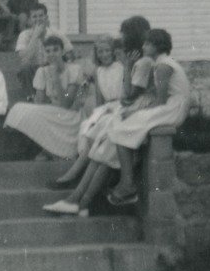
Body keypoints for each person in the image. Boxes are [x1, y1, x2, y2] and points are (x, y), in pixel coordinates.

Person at [43, 28, 190, 216]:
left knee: (116, 133)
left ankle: (121, 187)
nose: (143, 47)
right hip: (167, 107)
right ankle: (80, 201)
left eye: (147, 44)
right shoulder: (156, 64)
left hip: (172, 109)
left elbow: (159, 101)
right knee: (109, 139)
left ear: (157, 46)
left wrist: (136, 112)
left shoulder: (162, 66)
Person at [46, 29, 147, 190]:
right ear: (97, 54)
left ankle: (72, 176)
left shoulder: (121, 67)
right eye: (101, 51)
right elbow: (100, 101)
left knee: (98, 135)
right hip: (107, 109)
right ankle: (75, 175)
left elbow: (128, 93)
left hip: (122, 107)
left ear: (113, 52)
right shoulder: (98, 71)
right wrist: (97, 117)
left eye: (107, 51)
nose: (104, 54)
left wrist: (127, 69)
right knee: (89, 128)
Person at [4, 35, 88, 160]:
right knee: (18, 108)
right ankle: (48, 149)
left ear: (62, 51)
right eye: (48, 51)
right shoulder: (42, 72)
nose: (52, 54)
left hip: (70, 115)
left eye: (55, 50)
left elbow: (66, 102)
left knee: (26, 110)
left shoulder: (74, 69)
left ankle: (56, 152)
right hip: (52, 112)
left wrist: (55, 78)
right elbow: (39, 103)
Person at [15, 4, 73, 98]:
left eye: (41, 16)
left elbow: (69, 54)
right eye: (34, 16)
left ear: (46, 18)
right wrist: (35, 36)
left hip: (53, 67)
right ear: (29, 20)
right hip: (33, 70)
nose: (38, 19)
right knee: (25, 67)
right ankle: (31, 97)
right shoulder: (24, 35)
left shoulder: (56, 33)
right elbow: (24, 58)